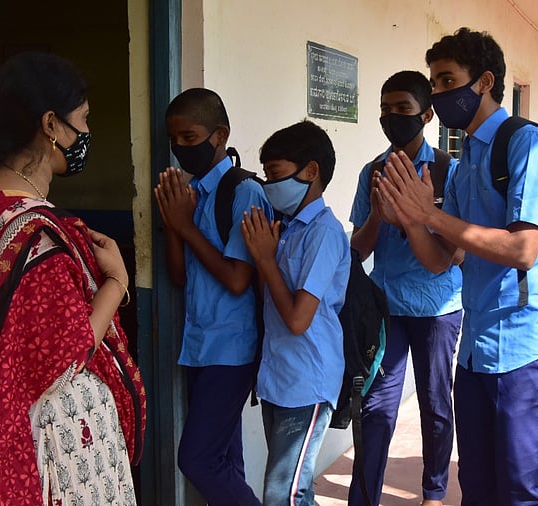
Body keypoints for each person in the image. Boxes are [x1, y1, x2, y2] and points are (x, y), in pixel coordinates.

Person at [0, 52, 146, 506]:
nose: (86, 134)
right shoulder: (35, 234)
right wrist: (117, 283)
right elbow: (65, 354)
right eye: (82, 120)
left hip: (11, 432)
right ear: (51, 125)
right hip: (55, 449)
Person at [377, 28, 538, 505]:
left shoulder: (525, 144)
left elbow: (524, 248)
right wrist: (412, 222)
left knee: (524, 490)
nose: (438, 94)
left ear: (484, 82)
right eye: (435, 83)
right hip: (476, 350)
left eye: (447, 81)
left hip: (527, 346)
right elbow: (447, 260)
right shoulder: (466, 161)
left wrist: (430, 214)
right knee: (480, 488)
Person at [348, 70, 463, 506]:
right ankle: (364, 498)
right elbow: (357, 250)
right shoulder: (373, 171)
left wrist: (414, 218)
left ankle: (433, 493)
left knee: (436, 406)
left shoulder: (448, 171)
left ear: (427, 114)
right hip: (387, 308)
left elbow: (454, 254)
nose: (392, 118)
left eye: (402, 109)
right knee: (376, 409)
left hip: (437, 309)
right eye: (385, 109)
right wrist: (379, 215)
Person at [154, 88, 272, 504]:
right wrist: (173, 225)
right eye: (174, 140)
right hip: (199, 346)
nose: (181, 148)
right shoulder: (190, 194)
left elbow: (239, 280)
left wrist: (186, 227)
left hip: (232, 349)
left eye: (190, 138)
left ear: (219, 135)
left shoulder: (243, 193)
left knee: (197, 459)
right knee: (224, 457)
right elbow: (180, 277)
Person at [240, 120, 350, 505]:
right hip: (279, 376)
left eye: (276, 174)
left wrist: (266, 260)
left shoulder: (323, 232)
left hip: (307, 380)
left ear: (311, 171)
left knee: (281, 492)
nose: (269, 185)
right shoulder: (285, 229)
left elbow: (298, 319)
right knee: (294, 489)